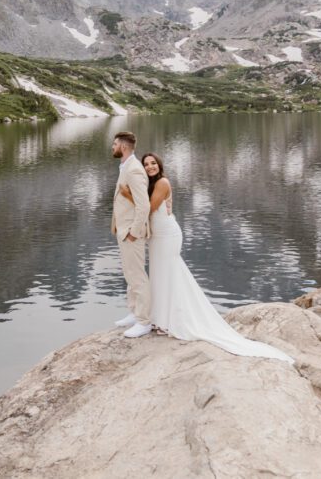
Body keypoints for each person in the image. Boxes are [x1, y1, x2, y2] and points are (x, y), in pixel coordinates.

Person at [120, 152, 294, 362]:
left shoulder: (163, 182)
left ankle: (173, 319)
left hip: (167, 235)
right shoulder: (150, 185)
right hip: (157, 237)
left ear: (160, 165)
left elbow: (149, 207)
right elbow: (145, 205)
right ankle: (159, 318)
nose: (149, 167)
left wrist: (127, 194)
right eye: (146, 164)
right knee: (159, 274)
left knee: (170, 273)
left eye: (153, 163)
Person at [110, 131, 153, 338]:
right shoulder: (125, 166)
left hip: (131, 232)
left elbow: (143, 206)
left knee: (137, 276)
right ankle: (135, 312)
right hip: (123, 230)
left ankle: (144, 321)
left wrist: (133, 233)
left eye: (115, 144)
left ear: (123, 147)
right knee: (129, 274)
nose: (113, 147)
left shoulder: (134, 170)